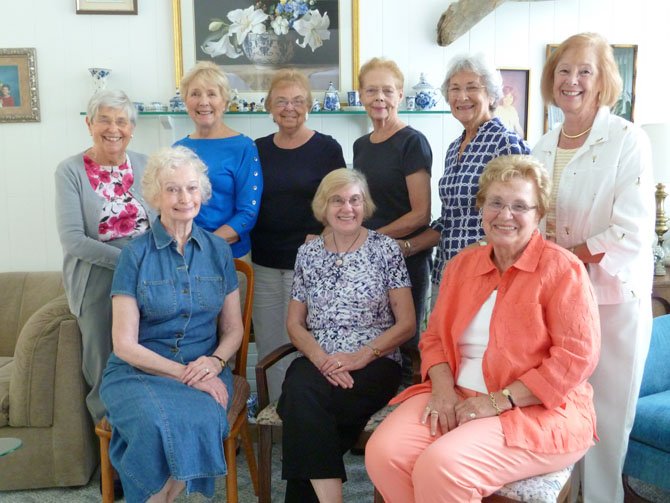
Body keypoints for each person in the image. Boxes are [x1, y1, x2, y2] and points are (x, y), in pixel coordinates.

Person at [366, 155, 601, 502]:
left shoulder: (562, 270)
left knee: (442, 466)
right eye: (496, 203)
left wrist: (498, 401)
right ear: (481, 207)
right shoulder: (463, 265)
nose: (505, 215)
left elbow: (575, 359)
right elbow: (433, 339)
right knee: (384, 453)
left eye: (520, 206)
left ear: (539, 214)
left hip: (533, 411)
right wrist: (443, 390)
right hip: (458, 394)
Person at [533, 32, 654, 503]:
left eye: (585, 71)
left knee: (605, 415)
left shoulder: (628, 139)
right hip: (556, 301)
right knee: (560, 406)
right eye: (564, 70)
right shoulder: (542, 143)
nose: (572, 80)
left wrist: (563, 258)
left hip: (610, 300)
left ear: (604, 81)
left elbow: (631, 231)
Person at [100, 146, 243, 503]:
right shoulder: (135, 255)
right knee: (151, 423)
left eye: (192, 188)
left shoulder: (219, 251)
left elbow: (234, 330)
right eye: (173, 189)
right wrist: (183, 374)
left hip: (205, 369)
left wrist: (214, 363)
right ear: (155, 196)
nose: (184, 198)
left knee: (199, 417)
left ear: (202, 193)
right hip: (140, 371)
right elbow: (125, 345)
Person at [279, 168, 415, 503]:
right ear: (323, 206)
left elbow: (407, 323)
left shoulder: (386, 250)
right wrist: (323, 360)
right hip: (318, 359)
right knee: (301, 387)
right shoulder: (307, 254)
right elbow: (295, 323)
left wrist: (358, 357)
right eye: (337, 200)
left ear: (365, 205)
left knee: (300, 406)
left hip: (375, 360)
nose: (347, 208)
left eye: (355, 200)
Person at [55, 89, 155, 423]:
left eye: (121, 121)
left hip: (149, 276)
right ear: (89, 124)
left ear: (131, 128)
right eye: (104, 119)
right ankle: (111, 451)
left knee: (150, 356)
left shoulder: (145, 164)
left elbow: (165, 220)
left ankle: (148, 438)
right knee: (102, 364)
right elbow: (73, 239)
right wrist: (129, 262)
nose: (113, 128)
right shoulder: (70, 170)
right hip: (97, 279)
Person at [402, 55, 529, 307]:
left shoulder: (506, 143)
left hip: (486, 277)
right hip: (446, 273)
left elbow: (520, 220)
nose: (462, 97)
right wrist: (406, 246)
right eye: (455, 89)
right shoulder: (454, 147)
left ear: (492, 95)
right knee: (443, 345)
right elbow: (450, 221)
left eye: (472, 87)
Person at [251, 68, 346, 402]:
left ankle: (304, 408)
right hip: (263, 260)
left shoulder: (327, 149)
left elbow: (341, 200)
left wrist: (321, 235)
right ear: (269, 107)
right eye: (281, 101)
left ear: (309, 105)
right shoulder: (257, 149)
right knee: (269, 339)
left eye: (297, 101)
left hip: (310, 264)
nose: (289, 107)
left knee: (309, 338)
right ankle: (275, 413)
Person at [353, 57, 432, 382]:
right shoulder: (360, 145)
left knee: (403, 349)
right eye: (372, 90)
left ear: (400, 95)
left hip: (404, 259)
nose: (379, 98)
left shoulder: (412, 142)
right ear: (361, 96)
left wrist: (372, 240)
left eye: (387, 90)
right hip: (370, 261)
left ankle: (399, 424)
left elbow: (421, 213)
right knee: (372, 346)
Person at [173, 61, 262, 261]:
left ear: (224, 101)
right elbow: (169, 207)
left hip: (229, 257)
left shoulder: (243, 147)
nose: (203, 102)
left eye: (211, 94)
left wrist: (204, 246)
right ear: (185, 101)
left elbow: (248, 213)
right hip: (182, 255)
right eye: (195, 94)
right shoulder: (177, 149)